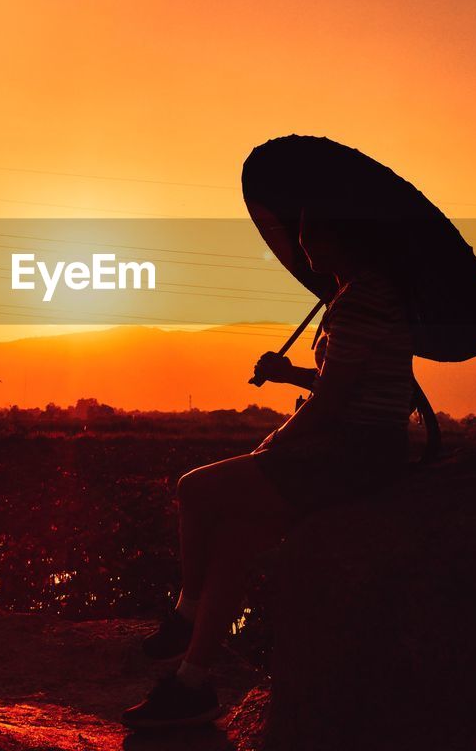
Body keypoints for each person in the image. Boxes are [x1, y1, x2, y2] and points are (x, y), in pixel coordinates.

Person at [120, 205, 416, 730]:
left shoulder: (359, 301)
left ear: (340, 239)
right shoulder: (359, 296)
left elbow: (335, 399)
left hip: (350, 452)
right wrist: (291, 374)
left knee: (195, 490)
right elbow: (345, 381)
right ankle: (193, 683)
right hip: (358, 446)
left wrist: (277, 439)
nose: (303, 247)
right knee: (233, 540)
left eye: (312, 235)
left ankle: (186, 611)